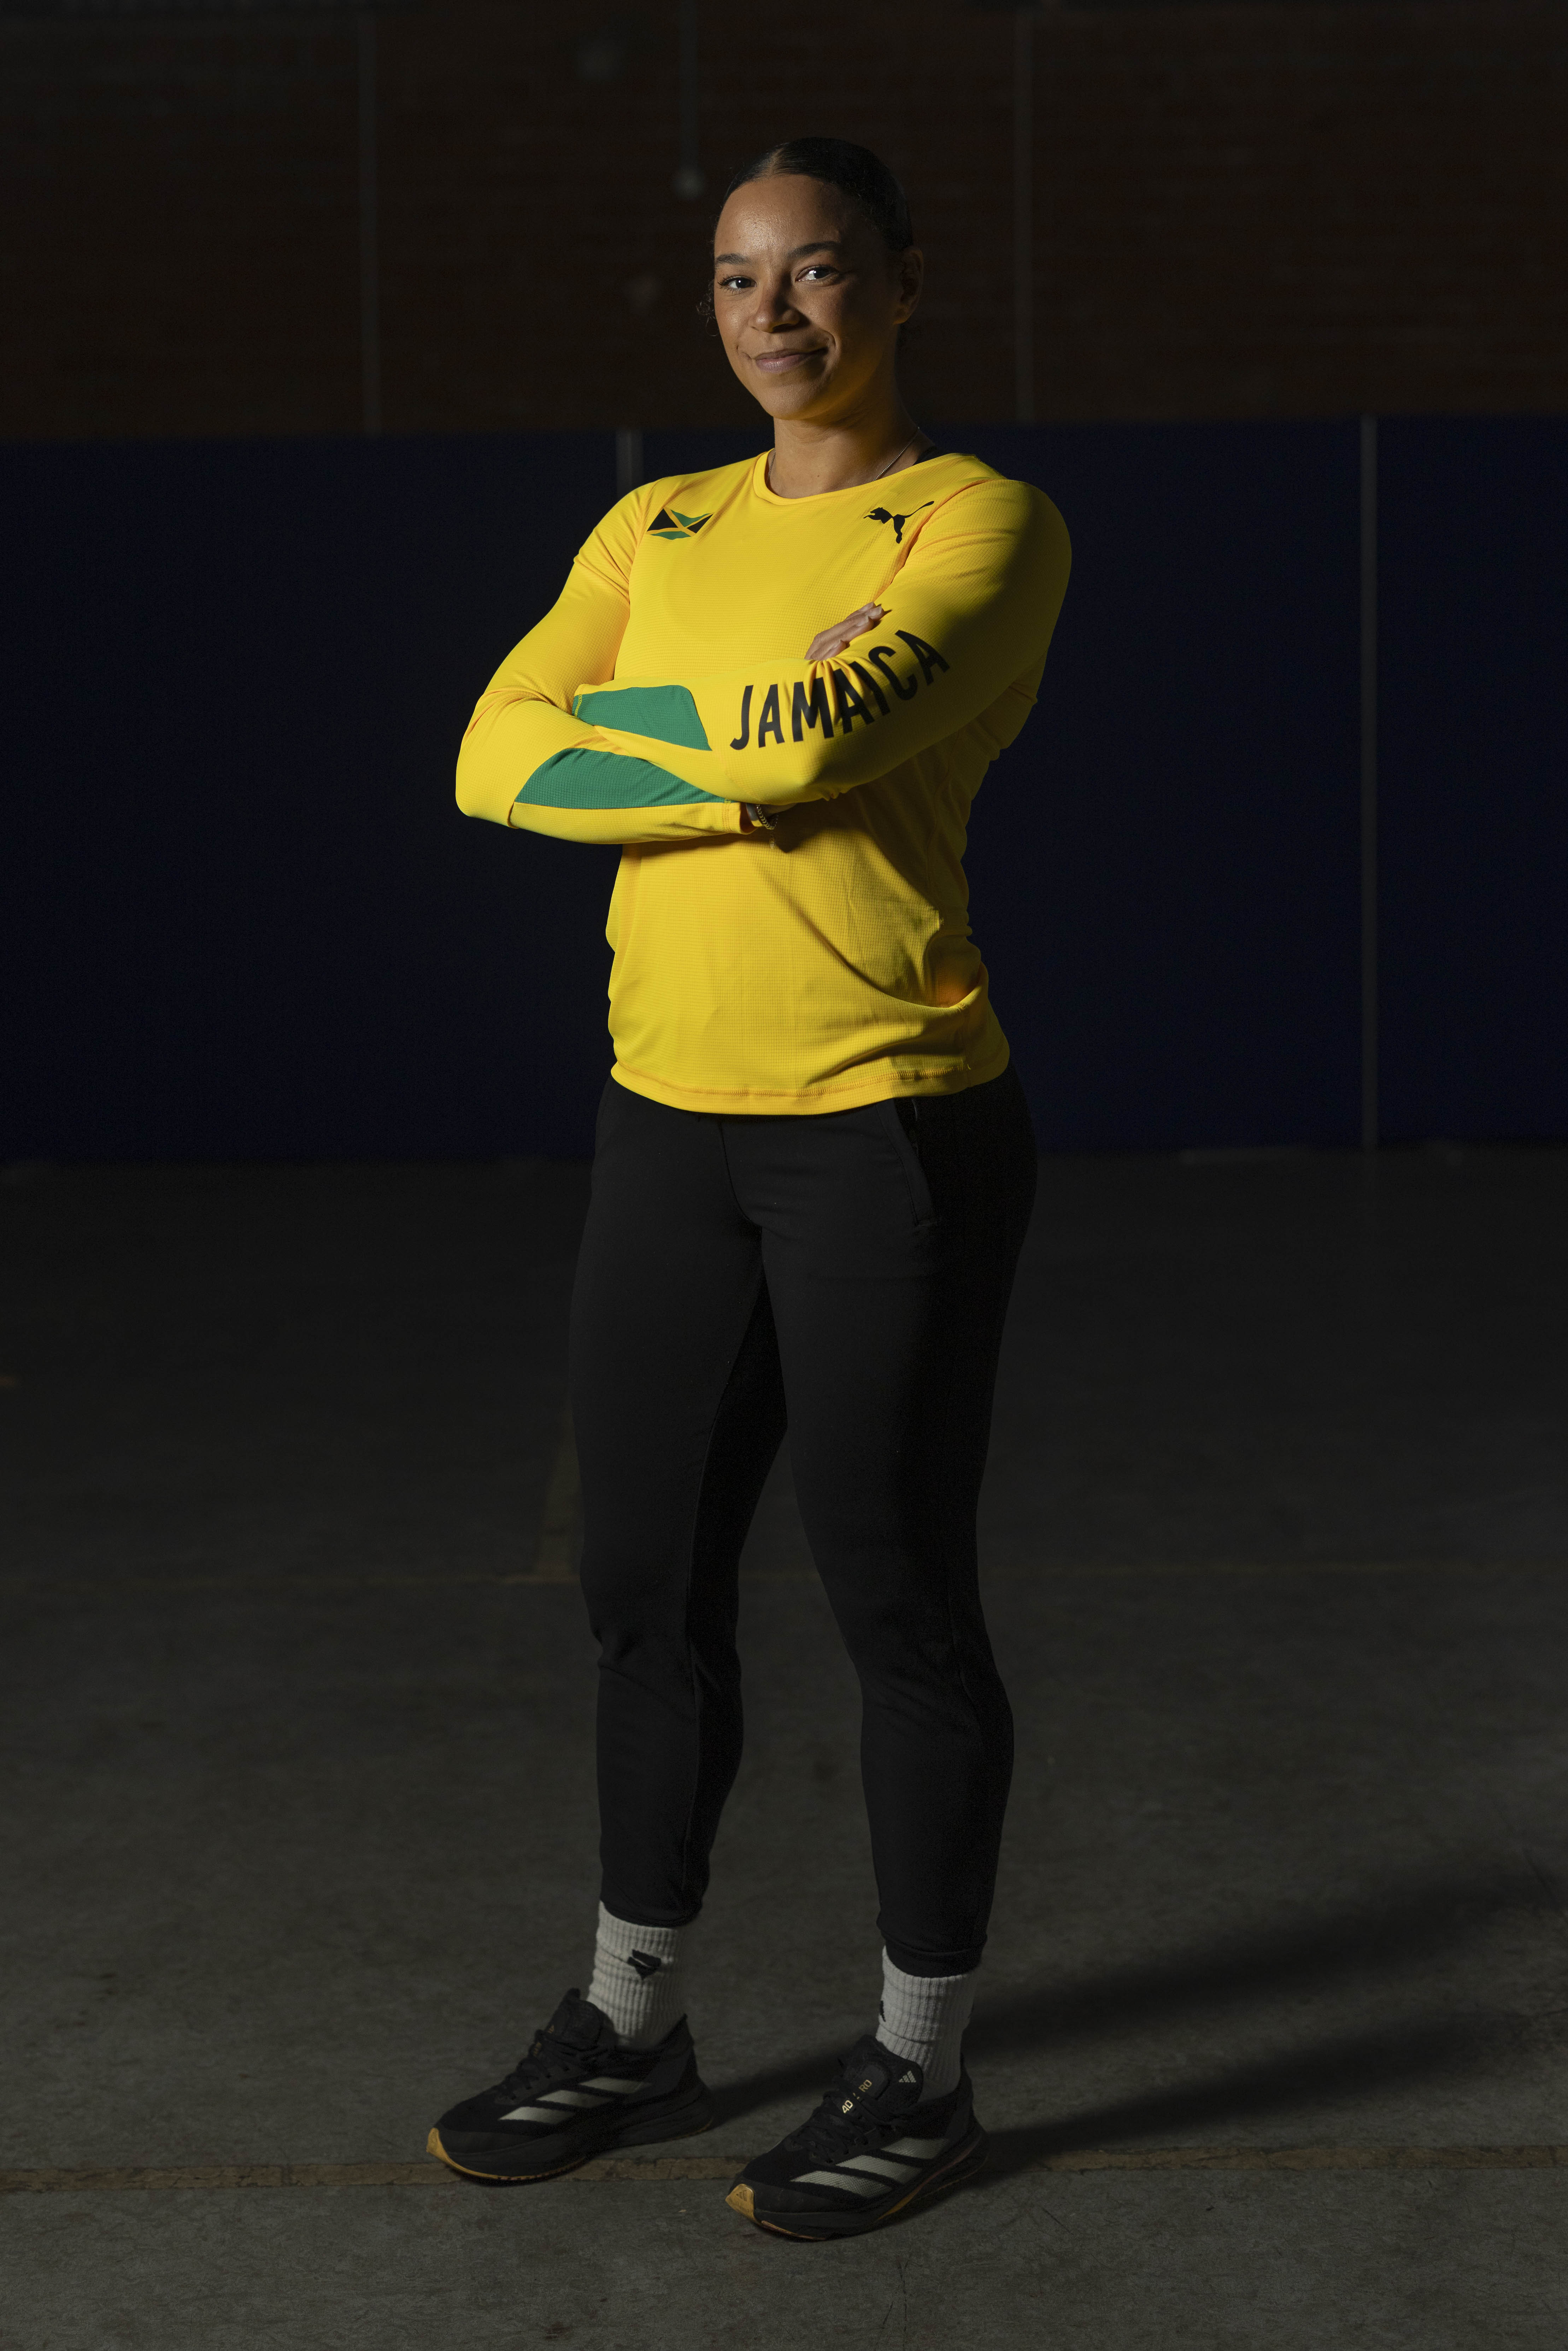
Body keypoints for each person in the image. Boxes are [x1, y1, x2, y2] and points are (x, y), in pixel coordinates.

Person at [427, 135, 1070, 2241]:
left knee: (892, 1600)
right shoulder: (658, 517)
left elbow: (798, 756)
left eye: (810, 274)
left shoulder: (978, 521)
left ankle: (918, 2064)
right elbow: (488, 755)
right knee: (642, 1595)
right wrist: (741, 740)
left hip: (884, 1117)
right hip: (665, 1126)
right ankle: (635, 2022)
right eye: (729, 280)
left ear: (898, 283)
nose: (769, 315)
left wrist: (660, 745)